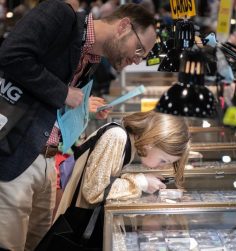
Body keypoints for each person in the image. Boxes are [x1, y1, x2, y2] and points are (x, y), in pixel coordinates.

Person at [0, 0, 156, 250]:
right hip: (14, 154)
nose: (137, 60)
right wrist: (62, 93)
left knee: (40, 245)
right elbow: (12, 54)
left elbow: (55, 104)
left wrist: (85, 110)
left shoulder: (92, 59)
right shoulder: (60, 14)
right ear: (124, 26)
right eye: (139, 50)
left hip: (48, 161)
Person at [55, 110, 190, 220]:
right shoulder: (117, 136)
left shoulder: (127, 140)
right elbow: (93, 191)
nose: (162, 166)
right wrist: (140, 182)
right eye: (163, 160)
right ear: (151, 142)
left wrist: (142, 179)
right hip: (75, 221)